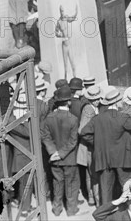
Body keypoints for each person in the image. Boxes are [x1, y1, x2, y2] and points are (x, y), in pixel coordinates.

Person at [80, 90, 131, 205]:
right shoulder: (123, 117)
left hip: (104, 158)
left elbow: (83, 132)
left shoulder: (97, 118)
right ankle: (130, 212)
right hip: (122, 158)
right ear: (117, 103)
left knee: (105, 190)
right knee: (126, 186)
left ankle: (105, 215)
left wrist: (97, 142)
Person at [41, 86, 81, 217]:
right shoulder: (73, 119)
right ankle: (71, 210)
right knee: (71, 184)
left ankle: (56, 210)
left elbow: (45, 136)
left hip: (54, 159)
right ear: (69, 102)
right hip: (69, 159)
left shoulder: (49, 118)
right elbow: (73, 141)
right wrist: (61, 153)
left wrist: (53, 152)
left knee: (57, 183)